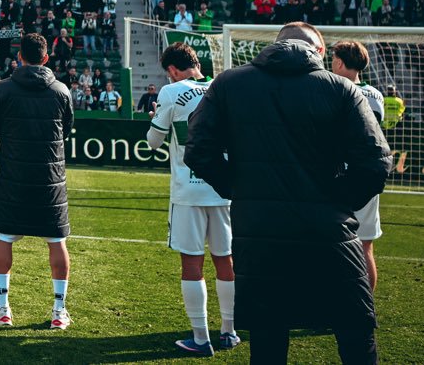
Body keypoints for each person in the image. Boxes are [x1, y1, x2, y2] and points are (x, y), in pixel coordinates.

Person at [185, 22, 390, 364]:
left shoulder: (229, 83)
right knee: (355, 334)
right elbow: (376, 163)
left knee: (268, 339)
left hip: (260, 232)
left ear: (275, 44)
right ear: (321, 52)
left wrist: (242, 190)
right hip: (330, 231)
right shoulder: (341, 89)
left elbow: (198, 151)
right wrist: (338, 202)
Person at [145, 42, 237, 354]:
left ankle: (200, 338)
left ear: (172, 70)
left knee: (192, 262)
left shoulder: (171, 92)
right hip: (224, 189)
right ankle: (229, 331)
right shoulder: (223, 87)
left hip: (188, 190)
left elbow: (153, 142)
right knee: (225, 260)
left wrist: (156, 117)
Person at [0, 33, 73, 329]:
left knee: (5, 237)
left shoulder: (3, 89)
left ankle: (3, 307)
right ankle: (59, 311)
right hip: (50, 177)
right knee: (57, 241)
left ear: (20, 57)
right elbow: (67, 130)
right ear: (46, 58)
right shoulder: (61, 90)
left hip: (14, 176)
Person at [329, 41, 386, 294]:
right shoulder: (376, 94)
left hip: (340, 173)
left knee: (332, 243)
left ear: (340, 62)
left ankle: (332, 303)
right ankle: (365, 306)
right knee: (365, 245)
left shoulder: (334, 89)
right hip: (370, 173)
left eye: (332, 60)